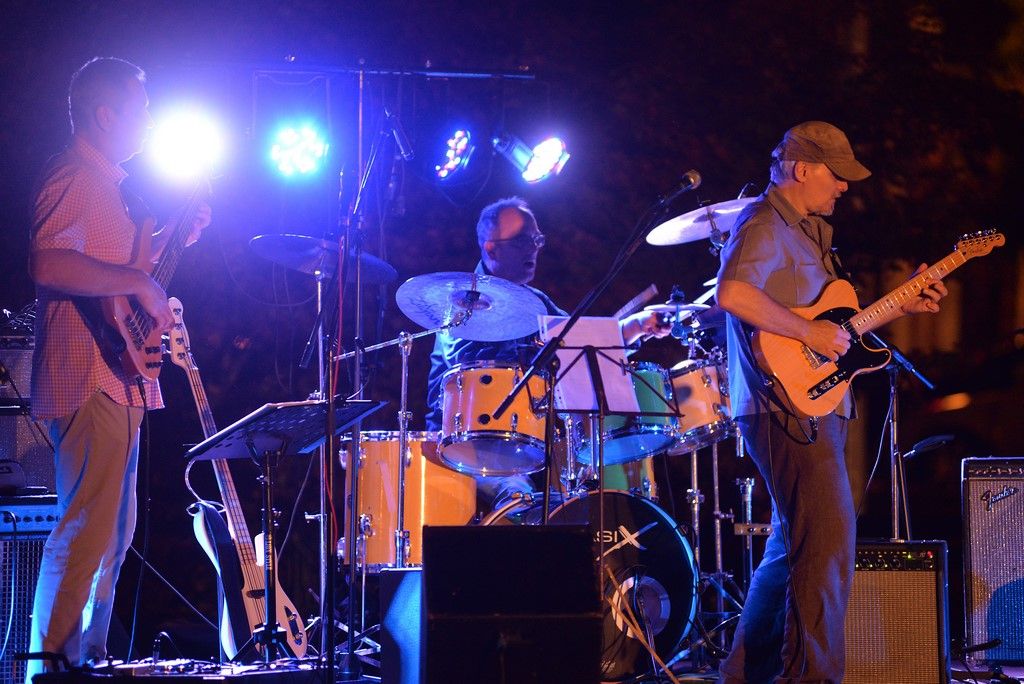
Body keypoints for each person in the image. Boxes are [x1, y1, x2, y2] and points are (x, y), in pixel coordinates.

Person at [714, 121, 947, 683]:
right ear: (802, 169)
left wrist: (900, 307)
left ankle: (744, 674)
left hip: (817, 404)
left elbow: (837, 330)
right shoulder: (764, 223)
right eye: (837, 175)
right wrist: (808, 332)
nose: (844, 186)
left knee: (792, 545)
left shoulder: (812, 234)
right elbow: (732, 292)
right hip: (782, 406)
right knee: (828, 545)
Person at [26, 57, 210, 680]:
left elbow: (122, 274)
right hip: (88, 372)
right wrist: (138, 279)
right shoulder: (74, 174)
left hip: (119, 374)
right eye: (142, 109)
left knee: (113, 535)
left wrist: (172, 242)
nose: (150, 120)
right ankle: (50, 669)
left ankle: (87, 660)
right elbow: (48, 265)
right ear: (106, 114)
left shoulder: (108, 185)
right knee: (86, 532)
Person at [424, 196, 670, 507]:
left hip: (527, 438)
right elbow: (473, 367)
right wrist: (541, 354)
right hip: (467, 441)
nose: (533, 248)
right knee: (519, 496)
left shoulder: (536, 300)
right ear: (491, 248)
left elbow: (581, 342)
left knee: (587, 487)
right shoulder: (463, 301)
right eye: (522, 241)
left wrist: (636, 326)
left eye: (537, 240)